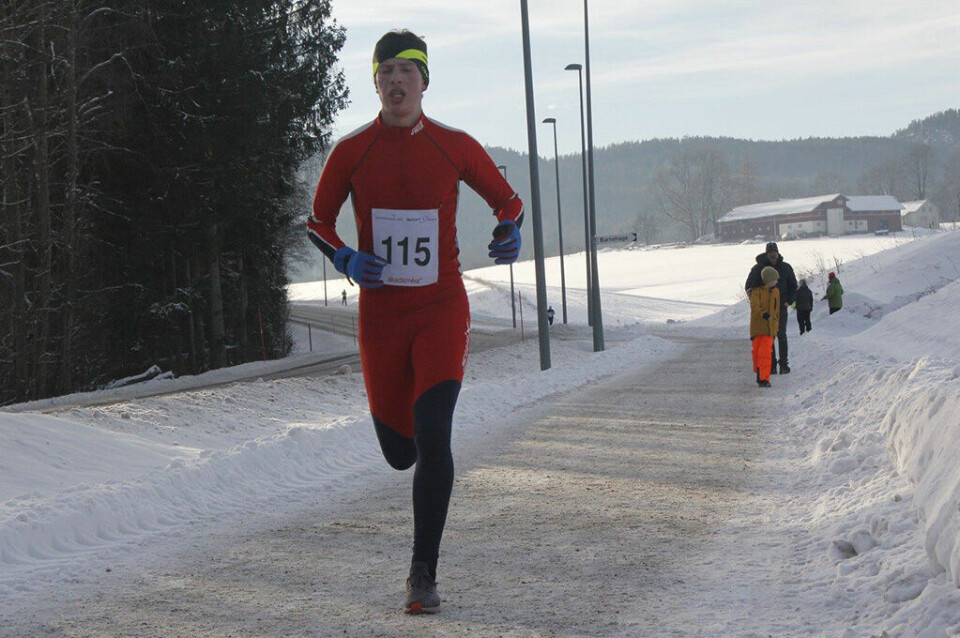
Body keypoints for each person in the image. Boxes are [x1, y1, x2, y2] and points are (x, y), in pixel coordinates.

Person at [306, 29, 524, 615]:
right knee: (400, 453)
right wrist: (345, 256)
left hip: (440, 311)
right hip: (380, 318)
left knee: (433, 432)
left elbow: (508, 201)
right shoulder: (352, 151)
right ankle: (419, 550)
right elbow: (317, 222)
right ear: (375, 83)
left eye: (407, 70)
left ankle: (421, 573)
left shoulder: (454, 145)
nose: (396, 81)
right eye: (386, 72)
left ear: (423, 82)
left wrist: (509, 230)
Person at [745, 241, 797, 374]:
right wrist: (757, 303)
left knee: (782, 335)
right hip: (766, 310)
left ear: (778, 253)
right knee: (769, 337)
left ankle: (784, 365)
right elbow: (749, 287)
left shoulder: (786, 268)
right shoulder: (758, 269)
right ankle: (772, 366)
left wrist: (789, 301)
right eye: (770, 253)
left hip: (781, 307)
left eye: (774, 252)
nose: (773, 255)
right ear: (767, 254)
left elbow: (793, 286)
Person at [749, 266, 781, 387]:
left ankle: (764, 378)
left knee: (766, 353)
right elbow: (755, 306)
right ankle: (759, 374)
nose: (776, 281)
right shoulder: (756, 291)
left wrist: (775, 324)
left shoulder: (776, 291)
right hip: (758, 327)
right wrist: (764, 314)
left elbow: (776, 310)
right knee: (757, 353)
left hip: (770, 328)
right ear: (768, 280)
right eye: (774, 279)